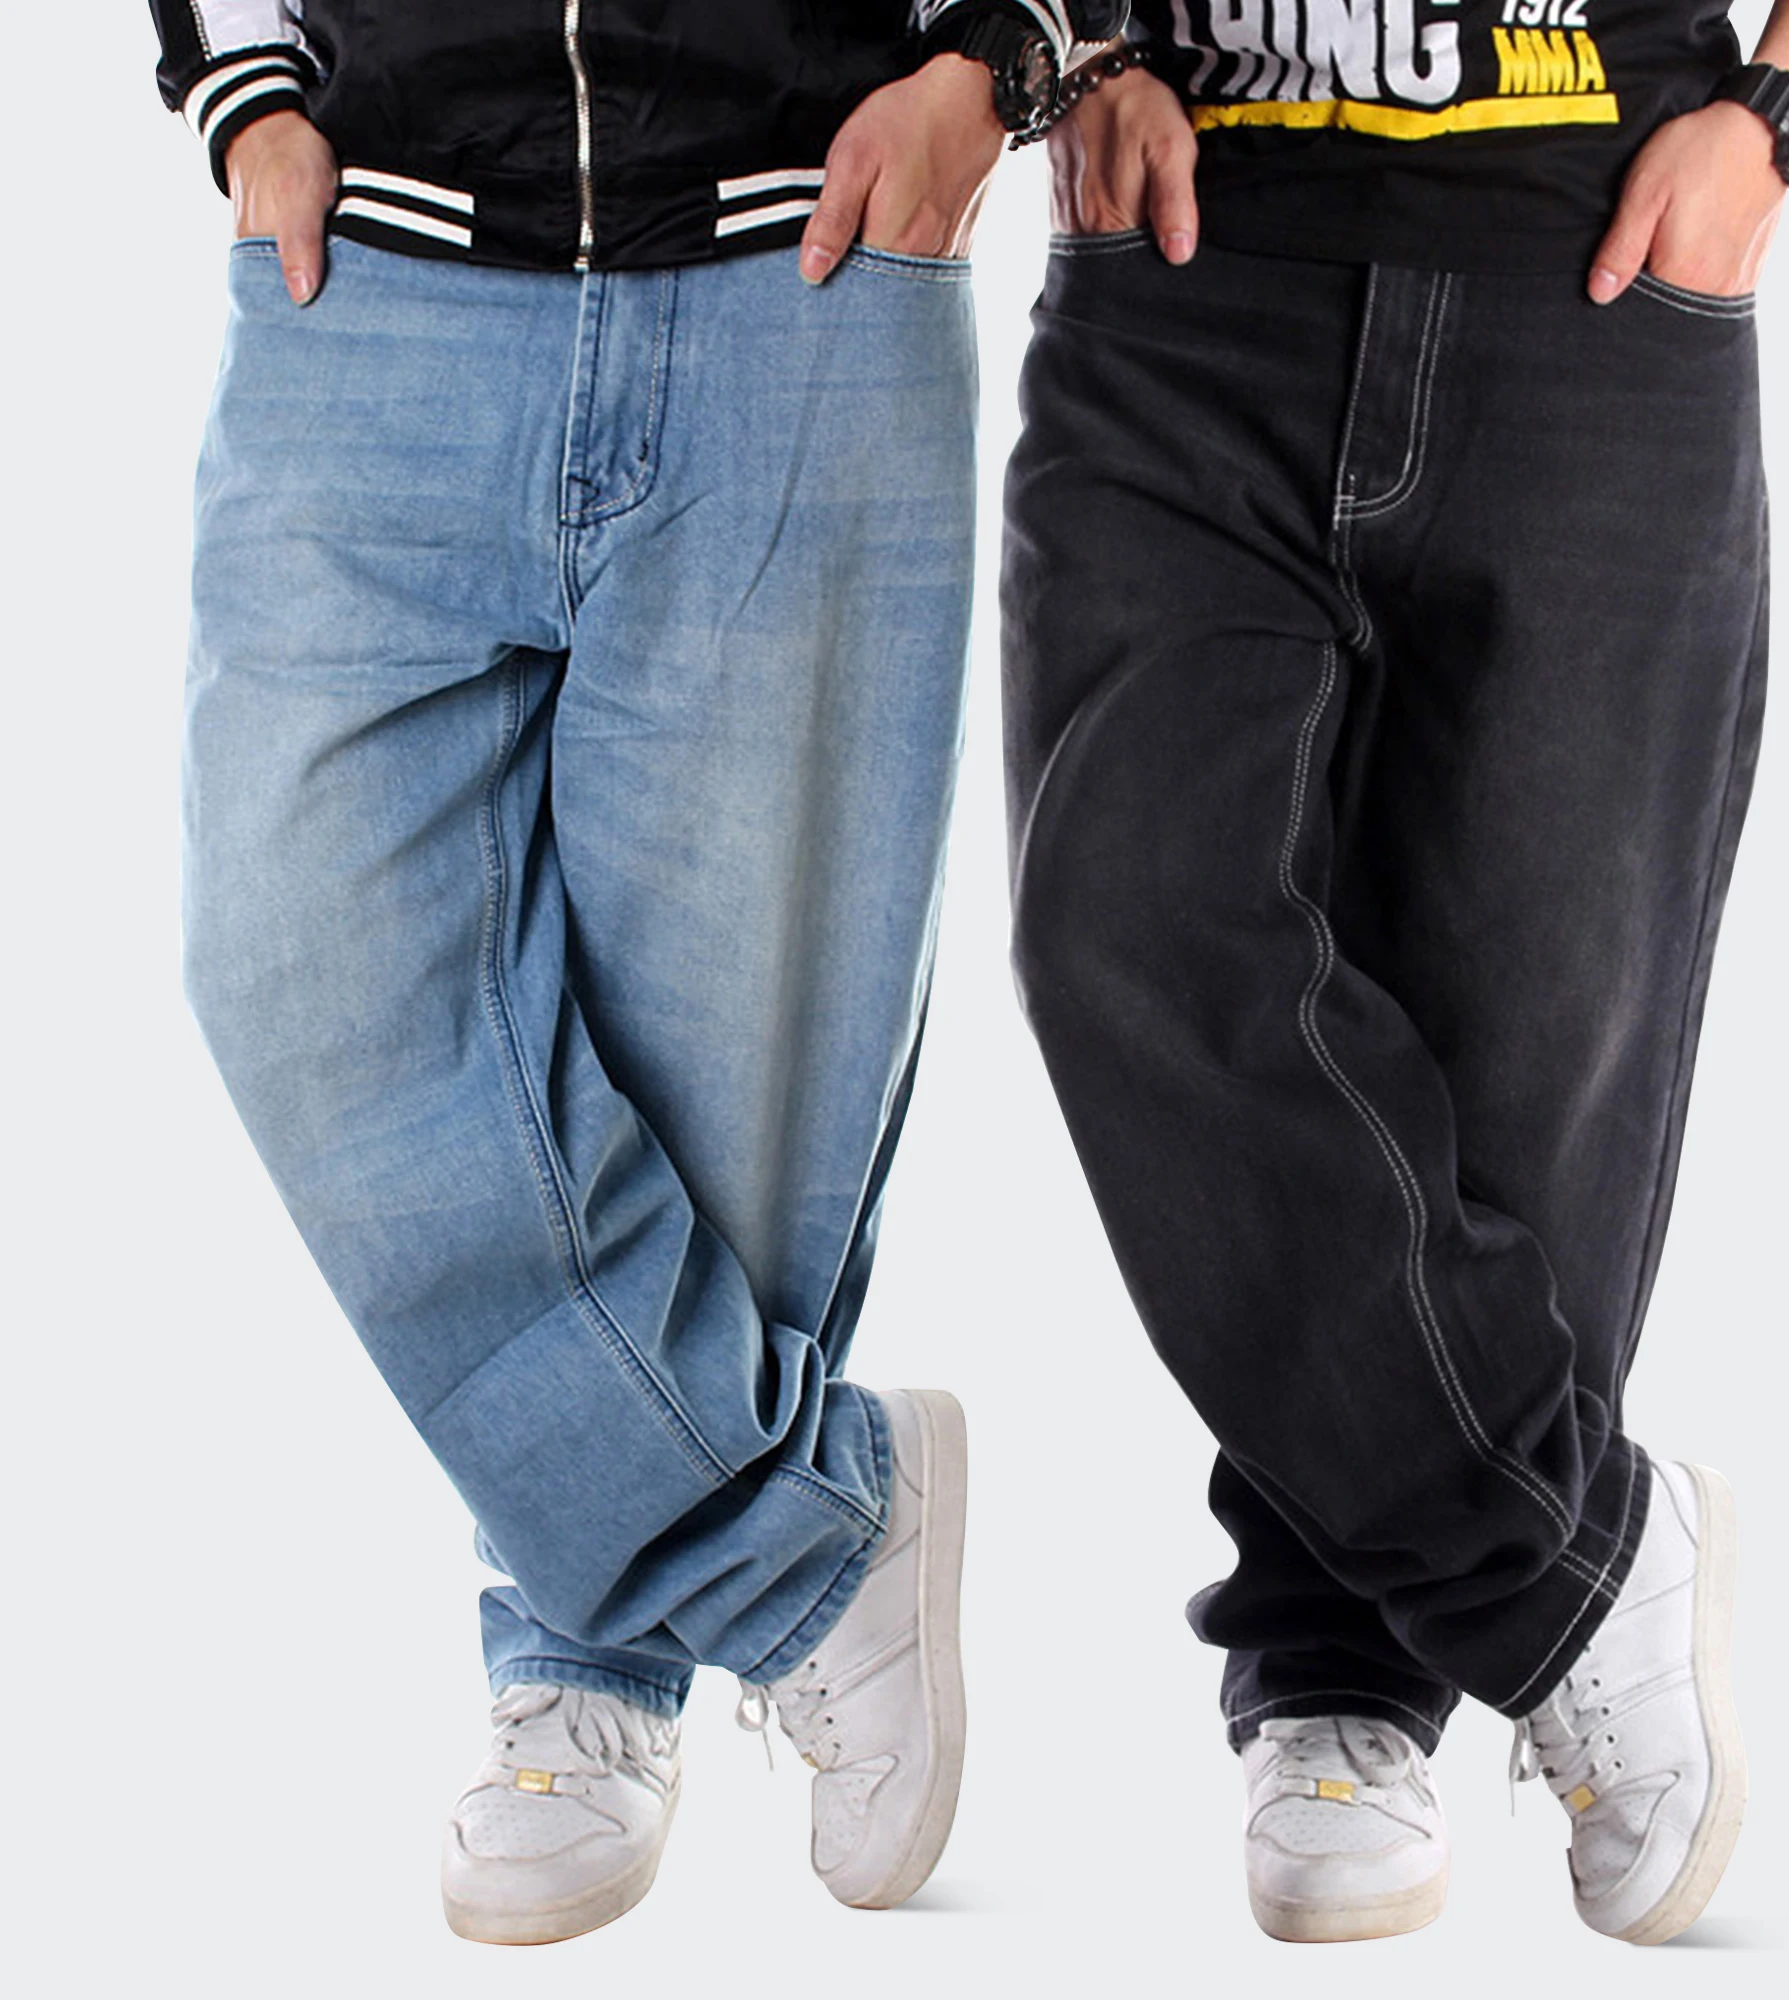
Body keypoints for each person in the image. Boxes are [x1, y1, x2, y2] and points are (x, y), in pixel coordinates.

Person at [151, 0, 1116, 1948]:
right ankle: (800, 1551)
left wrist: (995, 63)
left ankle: (590, 1660)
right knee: (295, 951)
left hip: (804, 243)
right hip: (380, 257)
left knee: (730, 1037)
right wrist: (245, 100)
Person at [1002, 0, 1789, 1946]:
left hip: (1593, 267)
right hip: (1191, 284)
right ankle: (1575, 1567)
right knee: (1124, 923)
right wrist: (1083, 52)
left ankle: (1347, 1670)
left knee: (1532, 1028)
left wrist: (1788, 103)